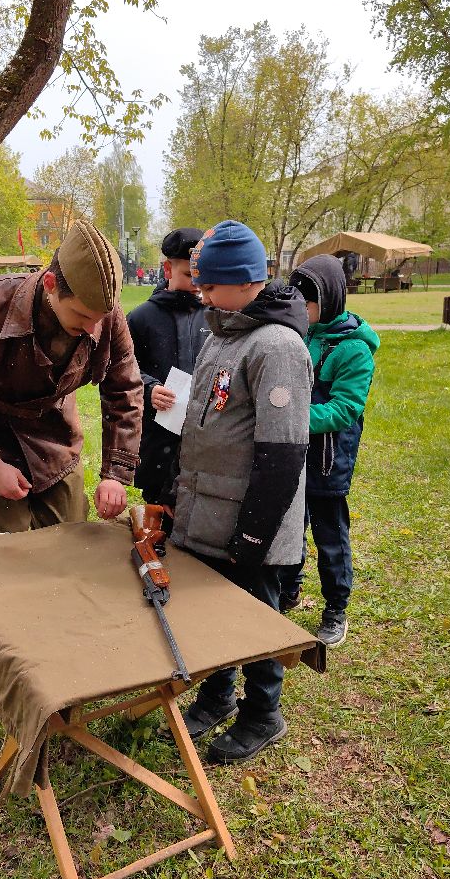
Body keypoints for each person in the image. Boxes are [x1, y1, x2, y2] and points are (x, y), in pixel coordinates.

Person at [166, 220, 313, 764]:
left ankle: (262, 713)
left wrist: (254, 533)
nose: (199, 293)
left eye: (209, 284)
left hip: (251, 517)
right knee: (213, 613)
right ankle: (218, 694)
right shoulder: (220, 332)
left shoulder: (275, 346)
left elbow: (282, 454)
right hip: (208, 510)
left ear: (244, 279)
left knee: (256, 617)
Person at [0, 220, 143, 535]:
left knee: (68, 543)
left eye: (100, 319)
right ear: (51, 283)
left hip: (55, 440)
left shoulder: (106, 317)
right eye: (82, 316)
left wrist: (115, 475)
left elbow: (125, 391)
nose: (93, 329)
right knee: (8, 550)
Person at [279, 255, 380, 647]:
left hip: (328, 459)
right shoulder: (302, 333)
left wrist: (291, 418)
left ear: (330, 299)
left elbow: (345, 409)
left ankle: (336, 607)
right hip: (294, 453)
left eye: (307, 304)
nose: (300, 311)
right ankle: (289, 588)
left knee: (329, 534)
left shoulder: (354, 350)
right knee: (290, 525)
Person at [127, 227, 206, 504]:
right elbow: (123, 369)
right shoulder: (140, 318)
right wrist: (149, 389)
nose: (197, 283)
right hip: (158, 439)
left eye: (202, 275)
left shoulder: (217, 317)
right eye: (188, 274)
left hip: (204, 438)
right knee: (158, 511)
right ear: (168, 270)